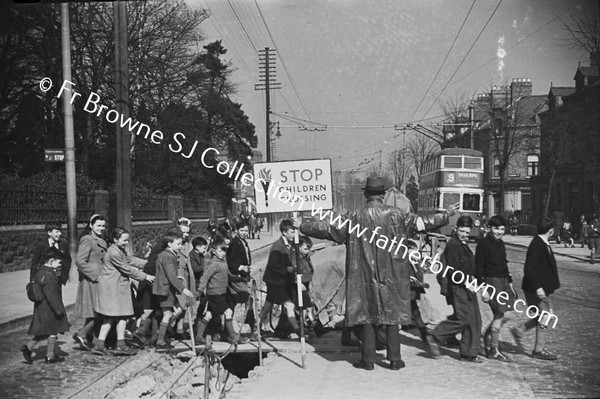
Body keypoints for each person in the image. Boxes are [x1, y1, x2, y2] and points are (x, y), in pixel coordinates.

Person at [300, 177, 457, 371]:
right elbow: (422, 223)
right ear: (383, 195)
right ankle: (394, 359)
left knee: (366, 315)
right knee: (391, 315)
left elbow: (328, 229)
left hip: (362, 275)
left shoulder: (353, 216)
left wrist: (303, 225)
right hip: (392, 273)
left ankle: (368, 360)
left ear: (366, 194)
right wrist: (445, 215)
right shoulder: (398, 215)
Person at [92, 227, 154, 356]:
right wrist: (145, 276)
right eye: (124, 240)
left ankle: (110, 344)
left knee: (121, 316)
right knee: (112, 317)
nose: (126, 243)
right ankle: (110, 345)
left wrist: (148, 264)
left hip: (117, 287)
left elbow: (131, 260)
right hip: (112, 288)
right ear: (115, 239)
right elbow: (127, 269)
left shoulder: (119, 249)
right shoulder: (114, 253)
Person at [429, 216, 483, 363]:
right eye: (462, 230)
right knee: (464, 318)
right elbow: (453, 270)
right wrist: (467, 283)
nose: (464, 234)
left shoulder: (462, 243)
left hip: (466, 285)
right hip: (459, 287)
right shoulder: (454, 245)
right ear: (456, 229)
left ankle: (468, 353)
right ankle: (436, 336)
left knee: (474, 319)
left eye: (467, 231)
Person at [511, 216, 560, 360]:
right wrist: (538, 287)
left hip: (540, 288)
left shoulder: (542, 243)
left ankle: (519, 330)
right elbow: (529, 268)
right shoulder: (538, 245)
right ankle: (538, 350)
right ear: (550, 231)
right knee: (546, 315)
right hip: (535, 288)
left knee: (542, 315)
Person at [475, 215, 516, 362]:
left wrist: (510, 284)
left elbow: (504, 265)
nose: (499, 231)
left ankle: (488, 343)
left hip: (503, 281)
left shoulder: (501, 244)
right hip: (492, 282)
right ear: (489, 228)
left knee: (504, 314)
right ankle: (493, 349)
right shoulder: (483, 244)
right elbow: (478, 268)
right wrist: (483, 288)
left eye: (502, 229)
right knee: (499, 314)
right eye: (496, 228)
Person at [195, 236, 249, 344]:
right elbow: (204, 278)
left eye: (225, 251)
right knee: (228, 312)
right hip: (214, 294)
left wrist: (241, 279)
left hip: (220, 293)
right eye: (221, 251)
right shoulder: (213, 264)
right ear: (214, 252)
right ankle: (233, 337)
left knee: (209, 314)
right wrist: (199, 291)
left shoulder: (223, 263)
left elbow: (228, 277)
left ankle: (198, 336)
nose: (223, 253)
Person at [21, 248, 70, 364]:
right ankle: (50, 355)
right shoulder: (49, 275)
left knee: (44, 332)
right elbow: (52, 295)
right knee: (52, 331)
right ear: (51, 261)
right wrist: (59, 310)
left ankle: (28, 347)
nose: (59, 265)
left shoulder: (40, 272)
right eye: (58, 262)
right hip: (49, 309)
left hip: (40, 308)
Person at [152, 229, 196, 351]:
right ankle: (160, 340)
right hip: (166, 289)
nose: (181, 246)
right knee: (168, 314)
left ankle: (160, 337)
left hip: (164, 287)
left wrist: (177, 277)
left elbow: (168, 273)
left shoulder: (166, 255)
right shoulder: (168, 256)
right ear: (169, 244)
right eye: (178, 244)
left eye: (181, 243)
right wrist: (184, 290)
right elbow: (171, 276)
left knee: (171, 312)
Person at [258, 219, 302, 339]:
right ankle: (299, 331)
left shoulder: (290, 245)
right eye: (292, 232)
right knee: (289, 305)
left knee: (267, 306)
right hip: (274, 281)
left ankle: (255, 329)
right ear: (284, 232)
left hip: (280, 281)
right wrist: (287, 269)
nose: (294, 235)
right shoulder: (277, 246)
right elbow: (273, 265)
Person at [73, 214, 107, 351]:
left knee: (95, 310)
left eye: (103, 226)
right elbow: (80, 261)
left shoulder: (101, 240)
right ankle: (81, 333)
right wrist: (95, 275)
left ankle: (90, 340)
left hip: (100, 279)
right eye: (98, 225)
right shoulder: (87, 239)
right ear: (91, 225)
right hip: (91, 280)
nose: (101, 228)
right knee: (98, 310)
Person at [227, 220, 259, 341]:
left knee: (231, 303)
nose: (245, 233)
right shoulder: (234, 243)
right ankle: (253, 328)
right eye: (242, 230)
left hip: (243, 277)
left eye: (246, 230)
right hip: (236, 277)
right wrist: (241, 267)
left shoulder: (243, 242)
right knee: (248, 299)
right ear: (236, 231)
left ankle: (227, 329)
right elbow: (230, 261)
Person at [30, 221, 71, 286]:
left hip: (58, 277)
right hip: (44, 277)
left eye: (60, 231)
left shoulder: (63, 243)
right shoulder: (42, 244)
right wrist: (33, 279)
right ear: (49, 233)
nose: (60, 234)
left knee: (57, 295)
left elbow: (68, 259)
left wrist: (64, 272)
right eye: (57, 232)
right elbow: (34, 263)